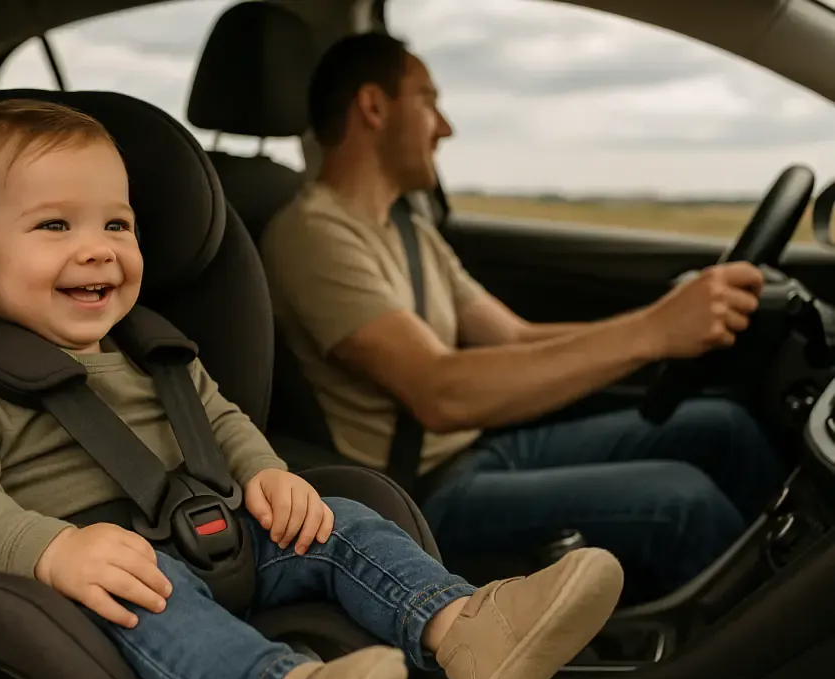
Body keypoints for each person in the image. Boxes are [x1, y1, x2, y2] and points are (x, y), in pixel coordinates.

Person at [0, 99, 624, 679]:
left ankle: (463, 625)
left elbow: (221, 421)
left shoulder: (153, 350)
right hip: (107, 578)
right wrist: (53, 551)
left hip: (220, 532)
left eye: (116, 226)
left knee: (341, 521)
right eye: (54, 227)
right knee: (155, 600)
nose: (98, 251)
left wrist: (267, 474)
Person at [259, 32, 786, 602]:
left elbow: (514, 335)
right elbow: (440, 392)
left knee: (723, 426)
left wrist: (667, 327)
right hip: (419, 491)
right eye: (428, 100)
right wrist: (654, 331)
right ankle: (766, 661)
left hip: (482, 451)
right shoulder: (313, 236)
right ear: (373, 106)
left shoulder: (409, 230)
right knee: (682, 499)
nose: (445, 127)